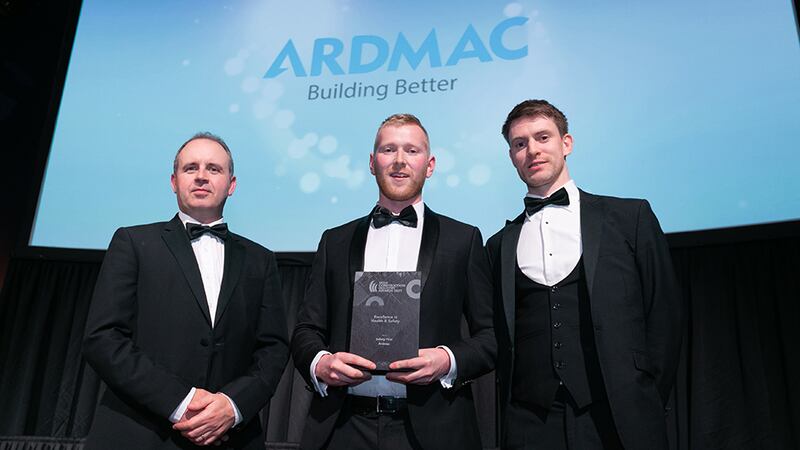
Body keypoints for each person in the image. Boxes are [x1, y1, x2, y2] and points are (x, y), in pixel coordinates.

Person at [487, 100, 683, 450]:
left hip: (619, 417)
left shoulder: (629, 217)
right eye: (520, 143)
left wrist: (645, 396)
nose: (532, 150)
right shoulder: (498, 245)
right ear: (512, 156)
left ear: (566, 143)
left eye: (542, 137)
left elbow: (664, 316)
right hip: (529, 423)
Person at [291, 114, 496, 450]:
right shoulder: (335, 241)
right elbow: (305, 331)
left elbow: (490, 338)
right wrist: (322, 363)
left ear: (429, 165)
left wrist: (446, 360)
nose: (400, 161)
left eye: (411, 151)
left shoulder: (463, 240)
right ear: (372, 163)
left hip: (434, 430)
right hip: (343, 429)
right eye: (389, 150)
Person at [83, 132, 289, 449]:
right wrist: (181, 401)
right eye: (190, 168)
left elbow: (273, 349)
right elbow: (103, 337)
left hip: (230, 436)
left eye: (214, 169)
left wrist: (233, 405)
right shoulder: (133, 243)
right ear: (174, 181)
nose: (202, 176)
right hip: (138, 433)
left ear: (231, 185)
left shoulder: (260, 260)